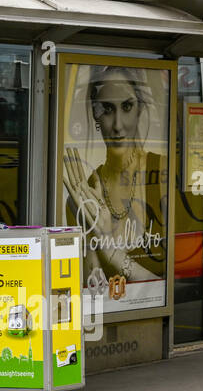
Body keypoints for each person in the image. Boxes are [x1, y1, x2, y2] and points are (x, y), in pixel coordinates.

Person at [63, 66, 167, 291]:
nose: (118, 125)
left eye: (127, 106)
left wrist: (110, 249)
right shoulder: (84, 192)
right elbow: (94, 290)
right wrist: (91, 231)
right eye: (107, 109)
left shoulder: (163, 173)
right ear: (95, 114)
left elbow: (168, 291)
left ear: (139, 109)